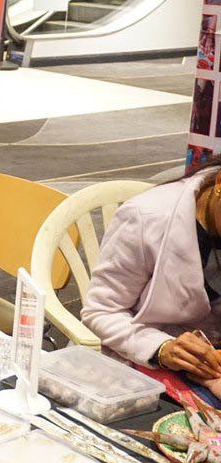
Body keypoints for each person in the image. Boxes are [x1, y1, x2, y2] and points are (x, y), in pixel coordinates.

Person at [82, 160, 221, 389]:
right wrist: (162, 348)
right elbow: (101, 310)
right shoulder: (146, 216)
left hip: (207, 365)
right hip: (138, 365)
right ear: (218, 183)